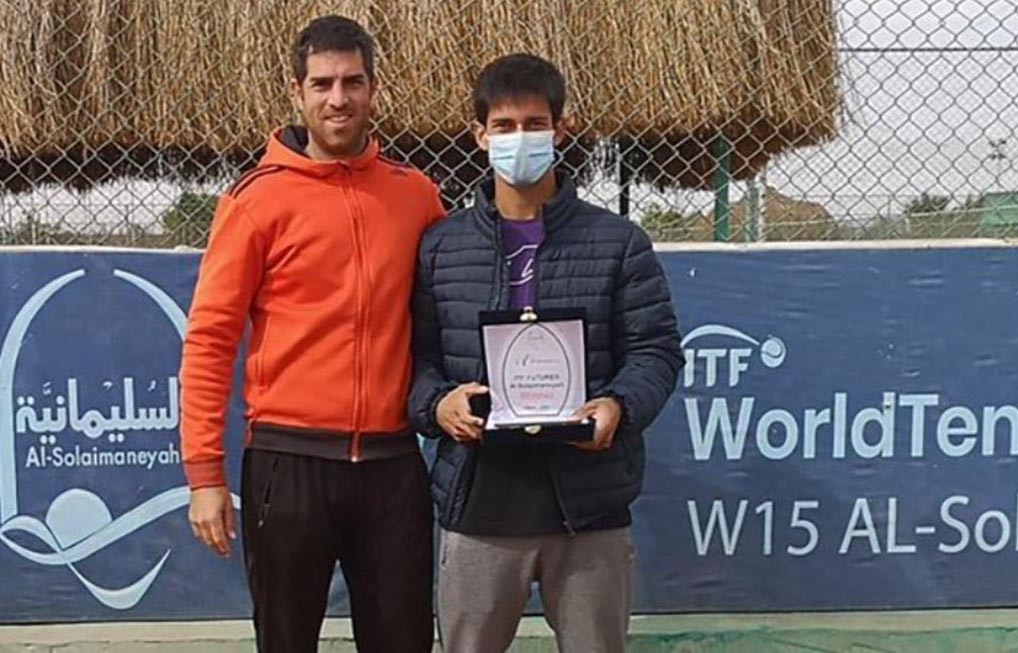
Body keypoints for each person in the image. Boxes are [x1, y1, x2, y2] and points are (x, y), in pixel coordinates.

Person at [179, 15, 443, 653]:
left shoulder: (418, 196)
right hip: (286, 463)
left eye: (353, 82)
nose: (338, 99)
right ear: (296, 91)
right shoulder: (256, 201)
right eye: (322, 84)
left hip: (391, 465)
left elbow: (446, 319)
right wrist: (204, 476)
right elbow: (210, 339)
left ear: (374, 89)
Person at [409, 53, 683, 653]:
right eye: (503, 127)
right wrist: (437, 404)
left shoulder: (618, 242)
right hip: (478, 502)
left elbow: (656, 351)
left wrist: (617, 405)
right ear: (479, 134)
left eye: (534, 124)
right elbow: (414, 360)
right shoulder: (440, 247)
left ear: (561, 130)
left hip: (587, 505)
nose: (519, 139)